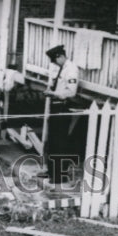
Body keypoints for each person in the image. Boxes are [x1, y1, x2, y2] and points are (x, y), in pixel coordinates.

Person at [41, 44, 80, 185]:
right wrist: (50, 90)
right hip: (55, 106)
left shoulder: (71, 69)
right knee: (52, 141)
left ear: (61, 56)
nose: (54, 63)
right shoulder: (60, 68)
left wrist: (53, 93)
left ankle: (59, 175)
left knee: (60, 142)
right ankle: (51, 171)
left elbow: (71, 92)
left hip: (63, 106)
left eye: (55, 60)